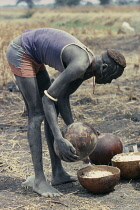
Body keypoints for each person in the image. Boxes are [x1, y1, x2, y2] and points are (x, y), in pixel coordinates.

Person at [6, 28, 126, 197]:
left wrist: (77, 133)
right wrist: (59, 139)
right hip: (21, 51)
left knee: (51, 109)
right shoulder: (80, 65)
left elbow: (61, 98)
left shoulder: (88, 67)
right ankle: (39, 180)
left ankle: (57, 174)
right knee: (37, 113)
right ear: (105, 67)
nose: (109, 82)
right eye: (112, 77)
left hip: (34, 52)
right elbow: (48, 99)